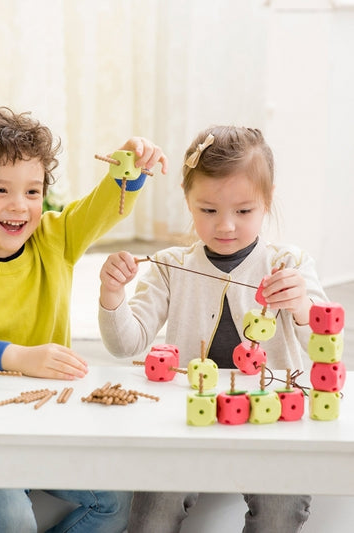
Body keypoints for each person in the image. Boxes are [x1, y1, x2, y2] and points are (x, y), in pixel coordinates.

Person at [0, 106, 168, 533]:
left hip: (47, 421)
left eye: (33, 192)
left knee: (115, 503)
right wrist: (17, 356)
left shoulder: (56, 237)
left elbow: (104, 207)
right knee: (13, 521)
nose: (20, 206)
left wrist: (128, 168)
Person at [98, 125, 327, 533]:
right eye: (208, 210)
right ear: (187, 201)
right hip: (184, 420)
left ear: (267, 200)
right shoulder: (171, 266)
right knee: (150, 517)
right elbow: (125, 345)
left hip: (271, 419)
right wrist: (112, 295)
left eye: (243, 211)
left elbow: (323, 347)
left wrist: (302, 307)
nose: (225, 226)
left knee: (282, 509)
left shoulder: (289, 264)